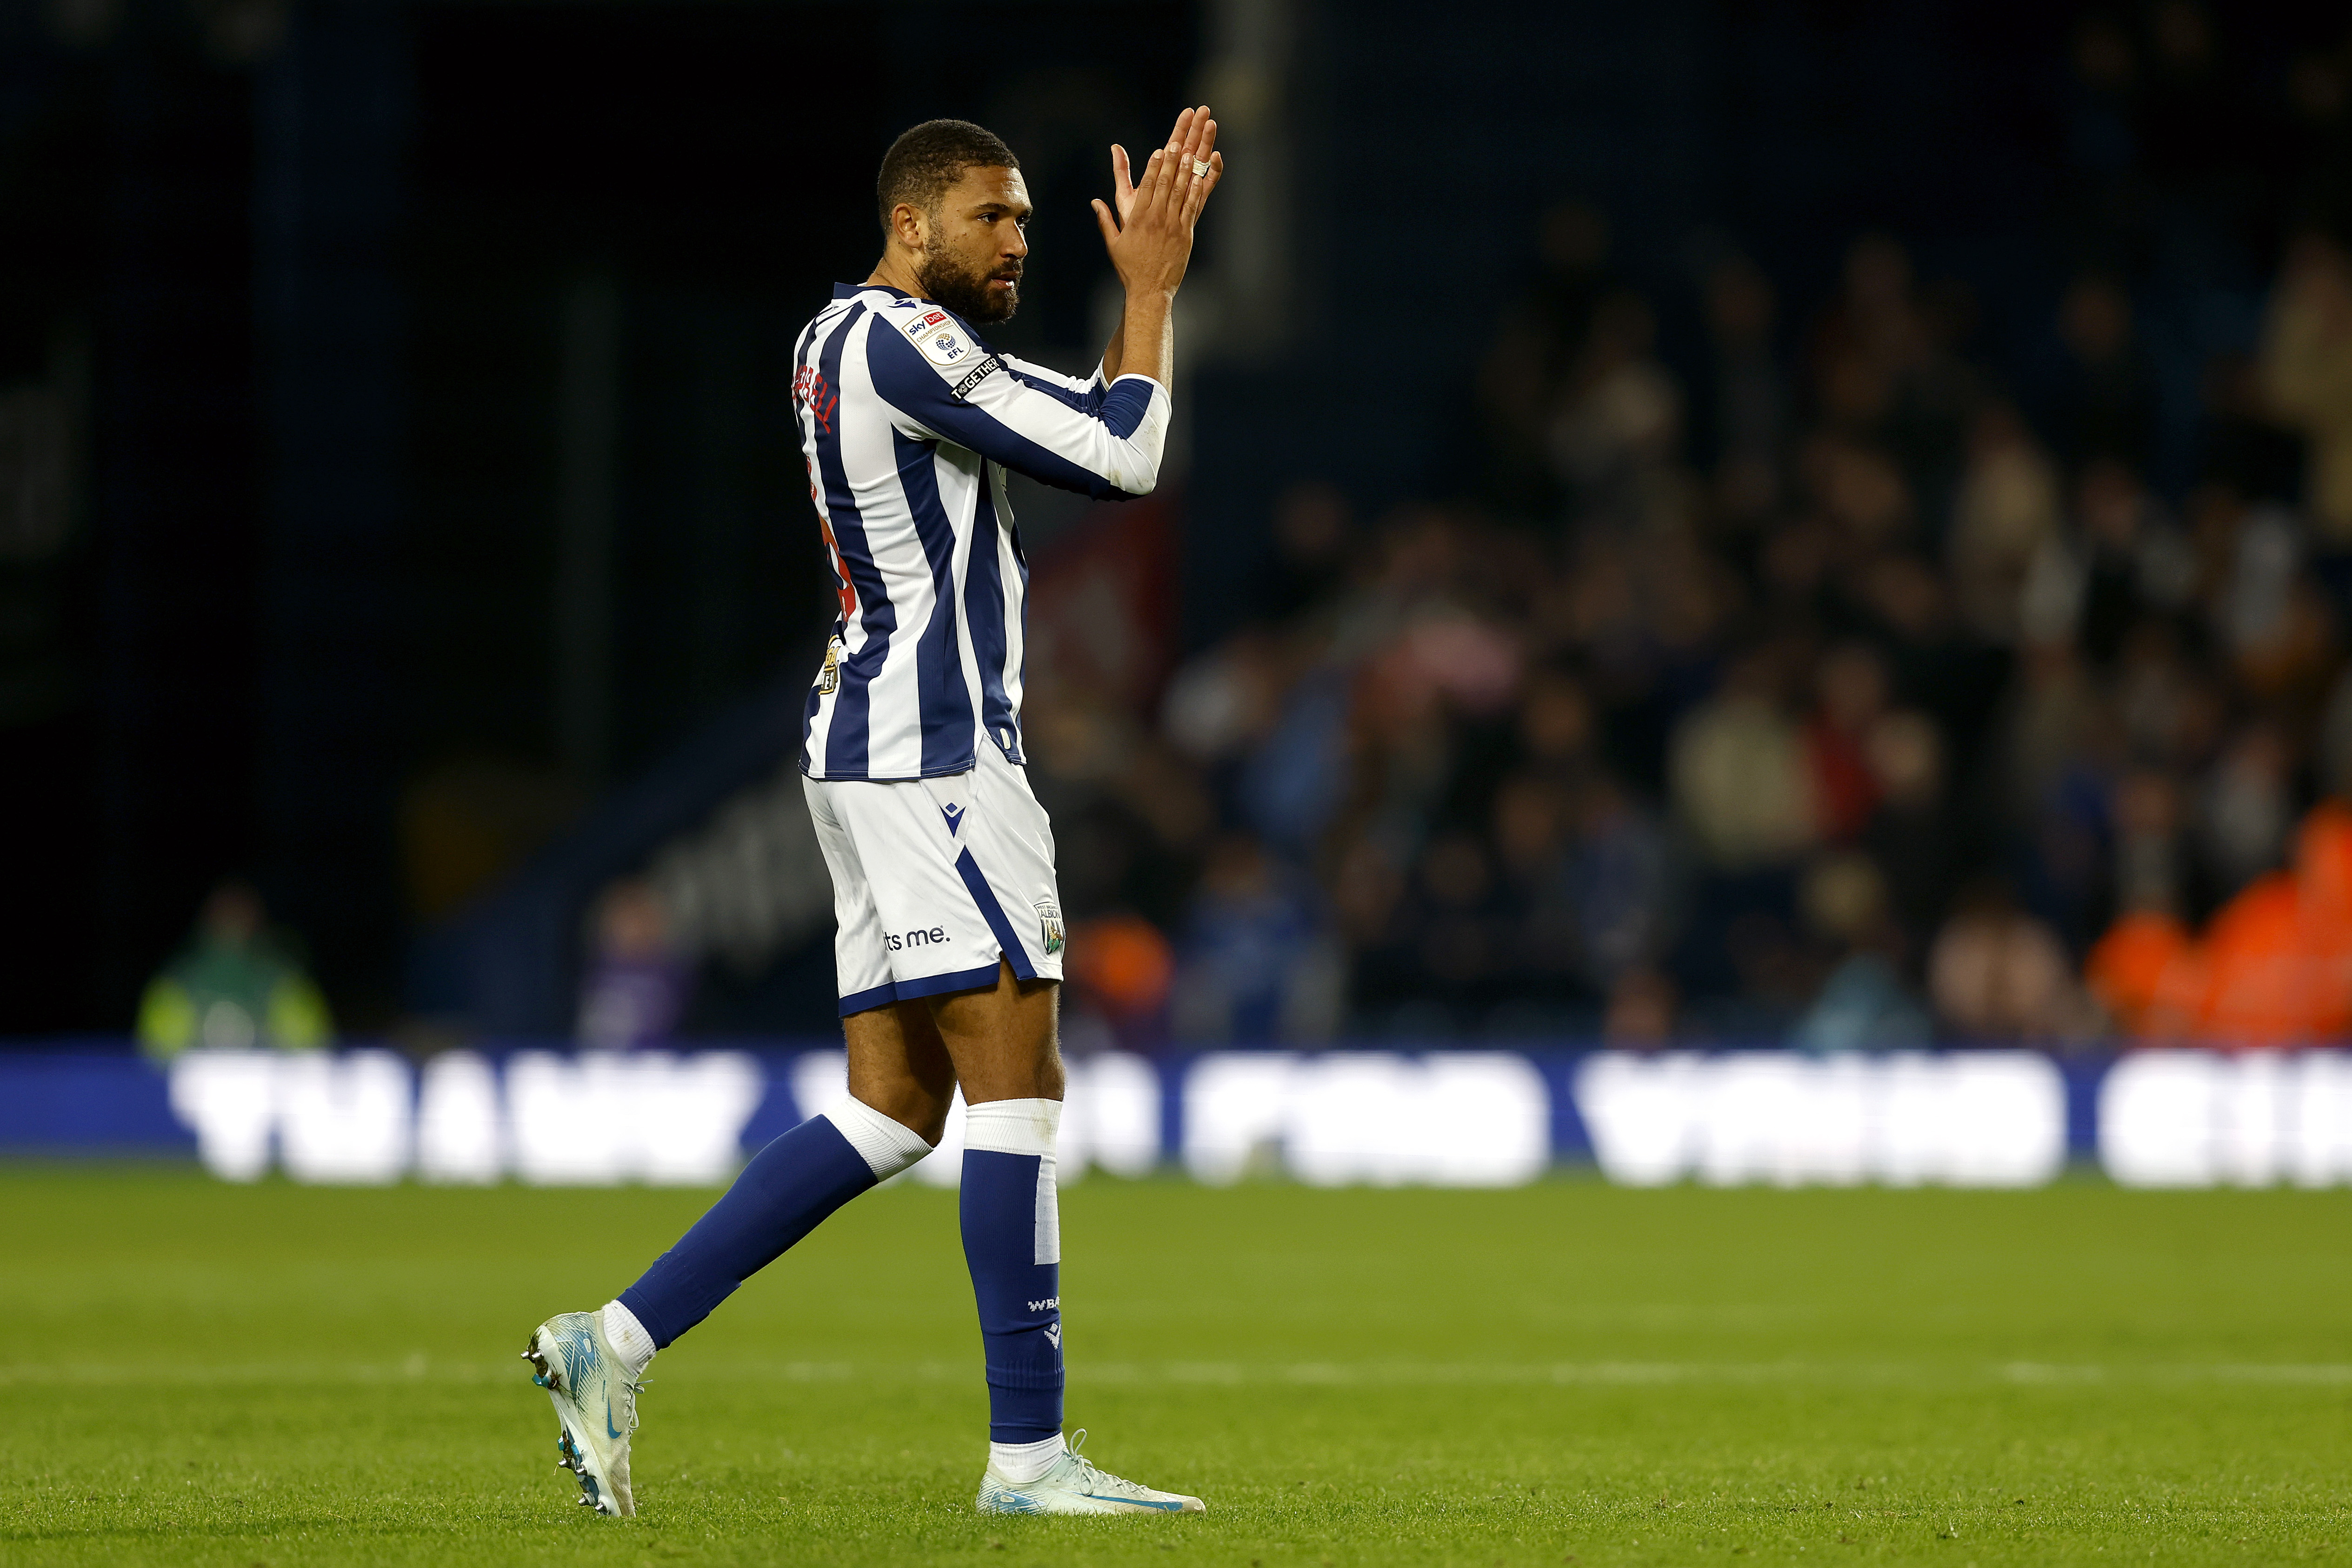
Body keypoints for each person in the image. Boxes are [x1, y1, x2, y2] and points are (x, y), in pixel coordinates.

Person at [521, 111, 1223, 1520]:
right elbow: (1125, 456)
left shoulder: (846, 339)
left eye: (1026, 218)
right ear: (913, 224)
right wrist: (1149, 291)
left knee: (897, 1107)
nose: (1019, 240)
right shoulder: (901, 342)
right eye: (994, 216)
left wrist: (1123, 331)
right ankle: (1027, 1456)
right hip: (934, 757)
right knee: (1015, 1078)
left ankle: (615, 1338)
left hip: (872, 749)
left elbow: (1078, 424)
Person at [134, 881, 332, 1060]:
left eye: (240, 918)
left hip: (264, 1095)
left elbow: (310, 1052)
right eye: (225, 917)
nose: (232, 926)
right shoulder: (177, 983)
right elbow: (157, 1059)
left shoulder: (284, 983)